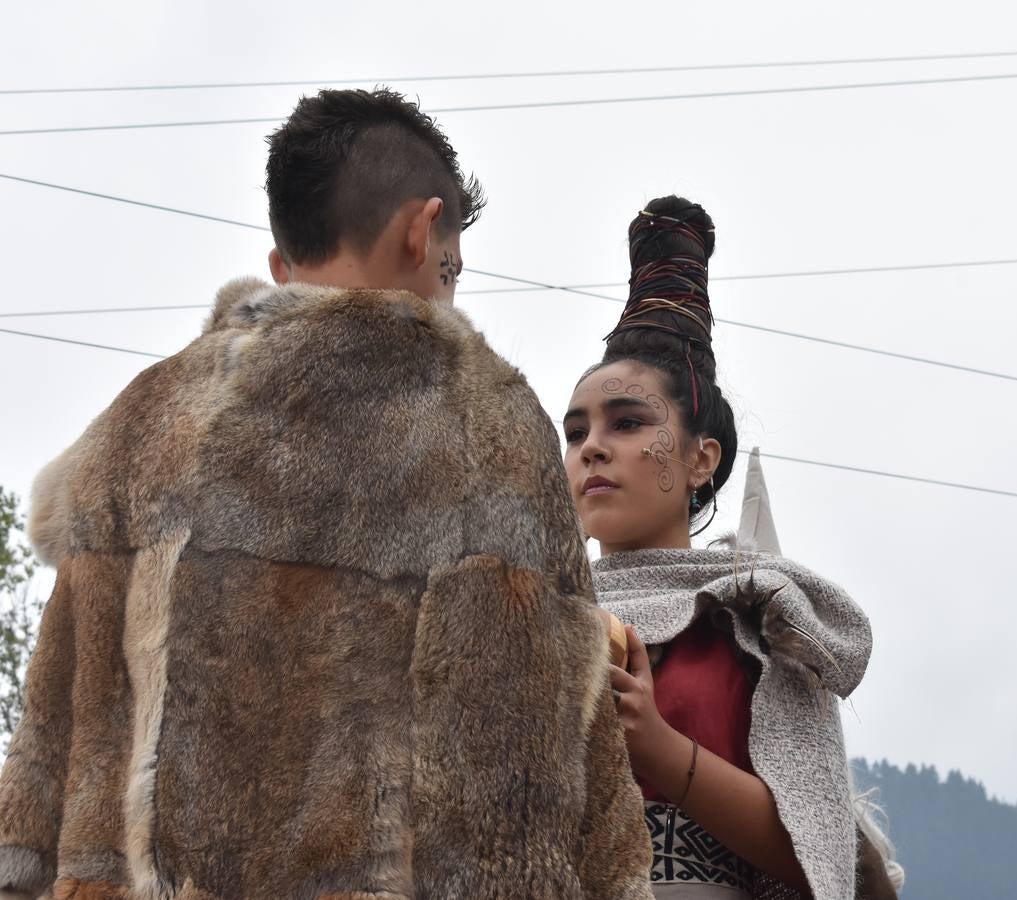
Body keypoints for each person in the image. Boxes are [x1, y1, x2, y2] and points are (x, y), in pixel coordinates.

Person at [0, 88, 652, 899]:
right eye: (451, 267)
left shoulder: (134, 427)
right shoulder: (478, 421)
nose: (449, 292)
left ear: (282, 268)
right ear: (423, 229)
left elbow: (38, 780)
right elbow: (521, 797)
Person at [562, 196, 903, 900]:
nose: (592, 446)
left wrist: (658, 746)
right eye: (575, 432)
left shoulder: (760, 617)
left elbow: (823, 856)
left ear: (700, 458)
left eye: (627, 422)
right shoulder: (526, 620)